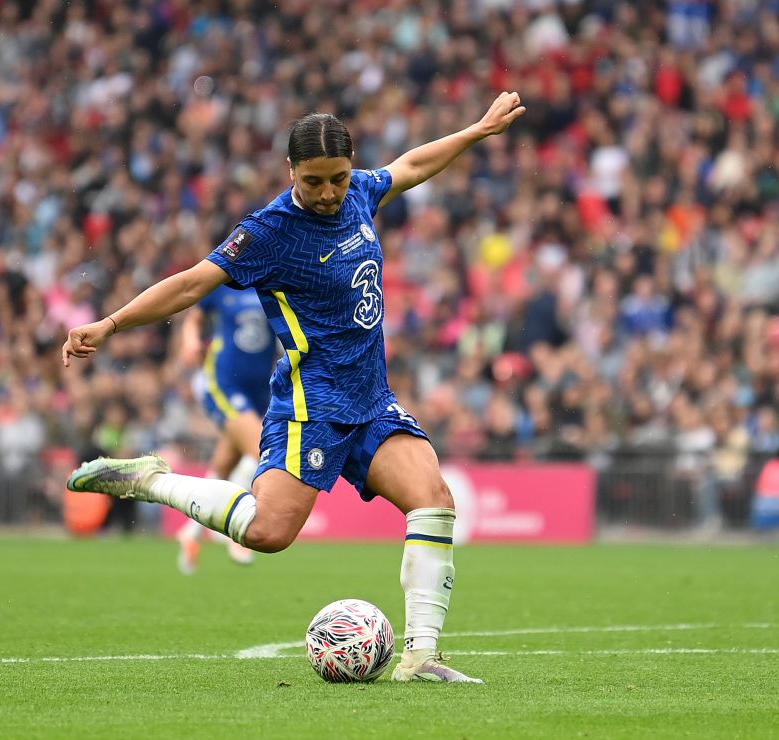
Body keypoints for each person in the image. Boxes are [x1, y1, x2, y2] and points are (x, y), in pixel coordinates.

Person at [62, 92, 526, 684]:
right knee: (269, 533)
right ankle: (150, 480)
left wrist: (476, 131)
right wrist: (111, 323)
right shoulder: (269, 232)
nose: (329, 193)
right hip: (313, 404)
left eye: (336, 178)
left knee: (433, 501)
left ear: (350, 165)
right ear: (290, 173)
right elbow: (188, 285)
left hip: (371, 399)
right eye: (313, 182)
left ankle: (420, 658)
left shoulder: (359, 190)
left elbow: (409, 166)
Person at [175, 284, 277, 572]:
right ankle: (235, 526)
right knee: (263, 449)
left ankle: (191, 531)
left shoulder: (274, 280)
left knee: (226, 462)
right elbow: (195, 316)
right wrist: (191, 340)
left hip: (260, 388)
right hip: (224, 381)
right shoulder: (223, 283)